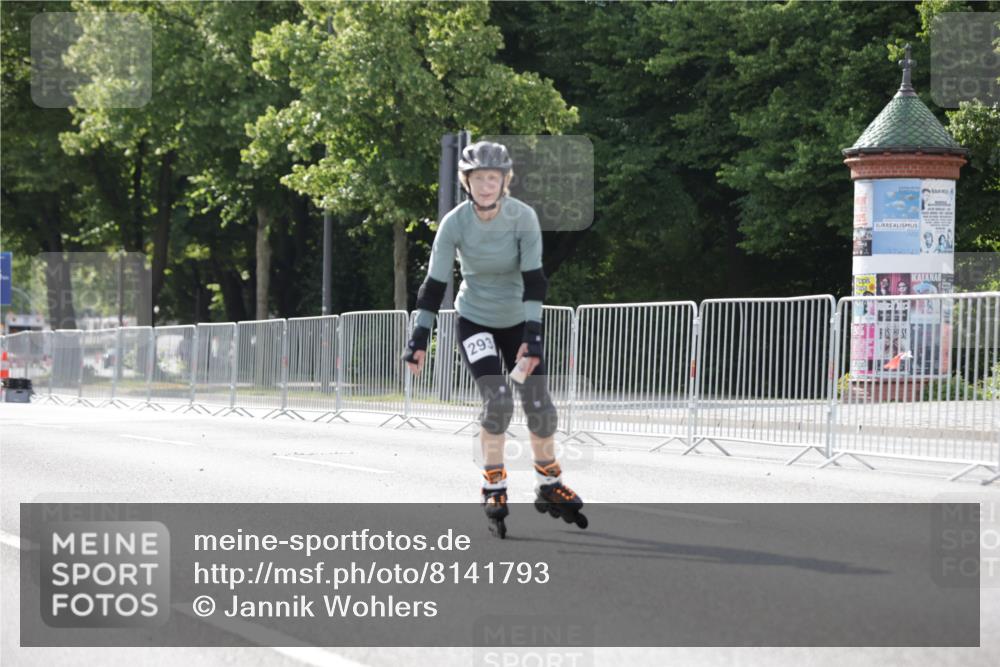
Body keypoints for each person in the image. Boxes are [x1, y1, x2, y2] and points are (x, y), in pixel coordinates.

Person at [402, 141, 586, 537]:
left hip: (519, 321)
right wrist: (419, 336)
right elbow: (434, 285)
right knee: (498, 400)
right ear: (465, 182)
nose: (486, 185)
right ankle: (494, 485)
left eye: (493, 177)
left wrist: (532, 336)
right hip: (475, 320)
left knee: (539, 406)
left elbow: (535, 280)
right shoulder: (454, 222)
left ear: (505, 180)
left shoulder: (523, 217)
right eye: (478, 178)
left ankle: (549, 484)